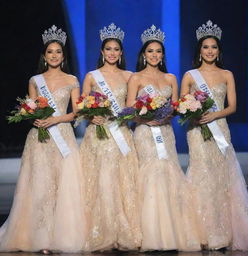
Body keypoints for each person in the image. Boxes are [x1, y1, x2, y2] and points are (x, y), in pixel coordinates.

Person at [0, 25, 86, 253]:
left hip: (62, 134)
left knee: (62, 184)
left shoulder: (72, 79)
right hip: (40, 138)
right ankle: (40, 237)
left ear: (63, 55)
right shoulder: (35, 80)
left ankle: (61, 235)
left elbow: (76, 112)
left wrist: (56, 119)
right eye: (50, 52)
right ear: (44, 56)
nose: (54, 55)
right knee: (40, 185)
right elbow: (30, 109)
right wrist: (33, 119)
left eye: (58, 51)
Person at [180, 20, 248, 251]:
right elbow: (182, 104)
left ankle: (224, 231)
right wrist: (192, 112)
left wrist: (214, 116)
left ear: (219, 50)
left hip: (219, 128)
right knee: (201, 174)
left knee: (222, 177)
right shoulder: (190, 75)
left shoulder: (226, 74)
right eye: (206, 47)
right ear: (199, 50)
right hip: (197, 129)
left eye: (214, 47)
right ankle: (201, 232)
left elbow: (232, 106)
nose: (210, 51)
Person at [126, 25, 200, 251]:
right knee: (150, 174)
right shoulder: (136, 78)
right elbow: (129, 108)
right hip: (145, 133)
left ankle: (170, 233)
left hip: (165, 132)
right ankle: (150, 233)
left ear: (162, 55)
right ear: (143, 54)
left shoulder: (171, 78)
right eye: (150, 51)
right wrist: (146, 118)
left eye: (158, 51)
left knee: (168, 174)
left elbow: (176, 106)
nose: (155, 55)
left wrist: (169, 112)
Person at [79, 23, 141, 251]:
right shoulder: (92, 76)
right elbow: (81, 106)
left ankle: (122, 231)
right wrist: (90, 117)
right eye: (108, 49)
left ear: (121, 53)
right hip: (98, 135)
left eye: (116, 49)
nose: (112, 53)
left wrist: (128, 118)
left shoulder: (129, 76)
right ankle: (100, 232)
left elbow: (133, 107)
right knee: (101, 182)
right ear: (102, 52)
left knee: (122, 181)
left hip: (121, 133)